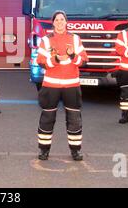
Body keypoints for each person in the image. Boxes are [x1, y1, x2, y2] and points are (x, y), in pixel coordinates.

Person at [36, 10, 88, 161]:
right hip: (50, 86)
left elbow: (83, 61)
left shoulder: (75, 39)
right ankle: (44, 150)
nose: (59, 22)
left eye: (62, 20)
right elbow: (40, 62)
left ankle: (75, 151)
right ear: (53, 23)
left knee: (74, 119)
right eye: (57, 20)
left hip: (71, 85)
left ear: (66, 22)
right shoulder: (46, 40)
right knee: (47, 117)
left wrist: (72, 55)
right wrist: (56, 59)